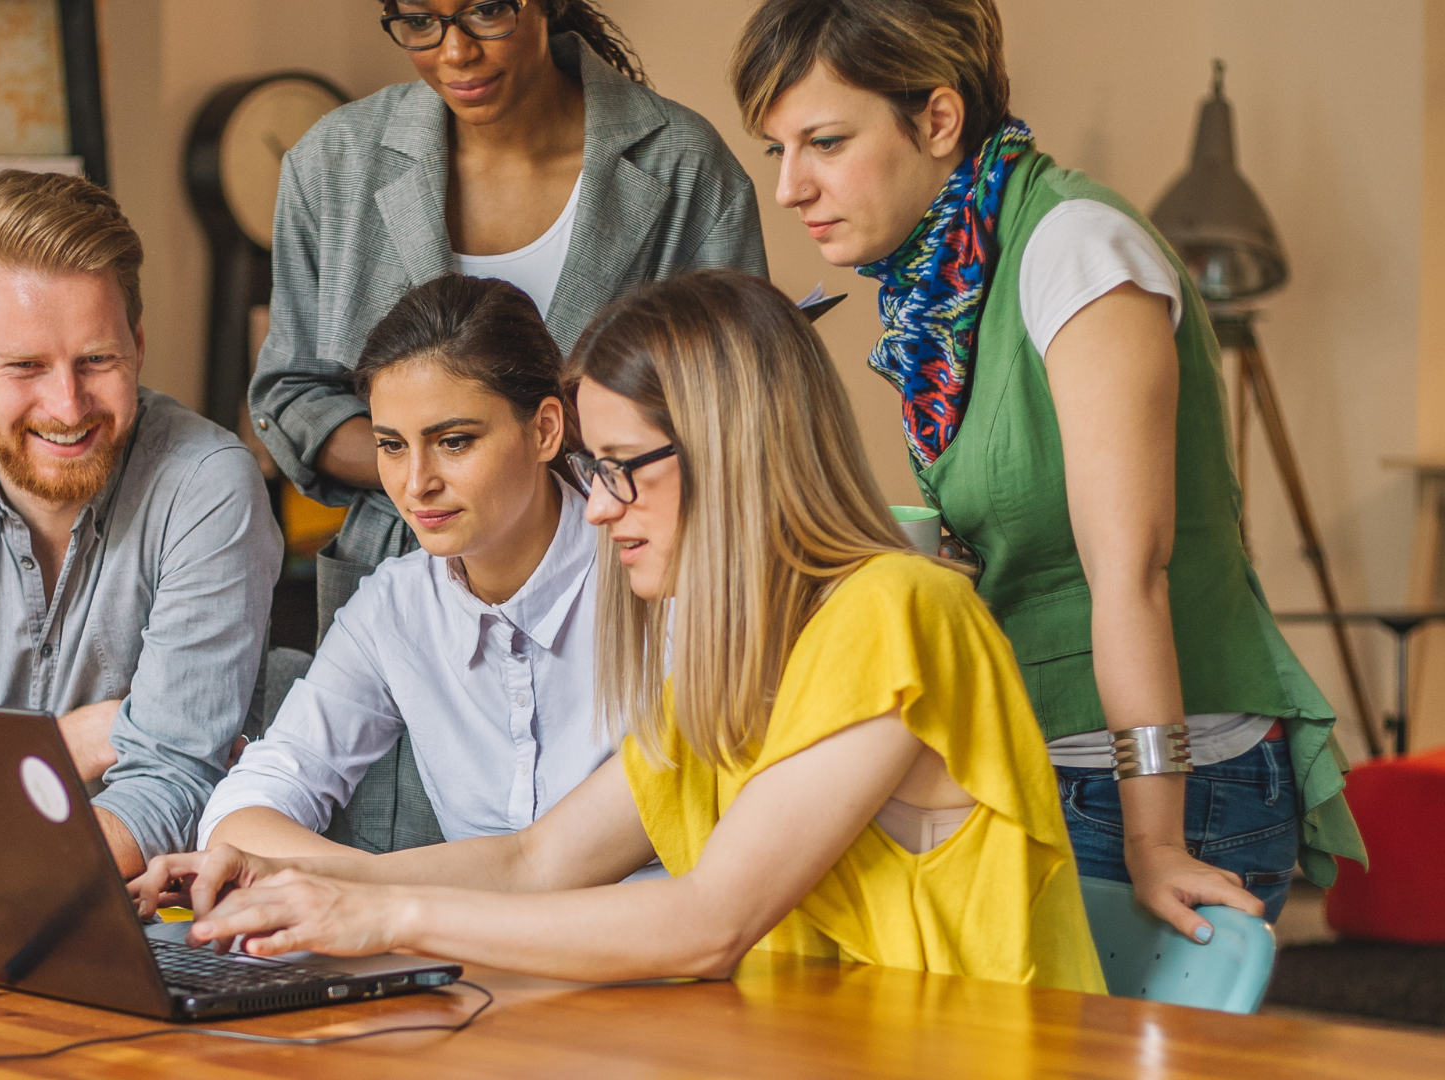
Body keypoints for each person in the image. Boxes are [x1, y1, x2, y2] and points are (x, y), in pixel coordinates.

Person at [130, 272, 1105, 994]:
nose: (597, 507)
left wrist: (381, 911)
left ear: (732, 450)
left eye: (622, 467)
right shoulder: (742, 652)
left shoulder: (897, 610)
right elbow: (538, 861)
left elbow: (708, 922)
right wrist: (289, 876)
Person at [729, 0, 1364, 937]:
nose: (790, 186)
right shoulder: (945, 288)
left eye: (824, 142)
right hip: (1046, 755)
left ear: (938, 120)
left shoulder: (1077, 251)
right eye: (777, 149)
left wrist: (1155, 841)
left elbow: (1130, 574)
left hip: (1156, 788)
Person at [248, 0, 768, 851]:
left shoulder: (682, 168)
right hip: (410, 575)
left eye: (486, 10)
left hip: (616, 574)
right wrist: (439, 463)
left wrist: (539, 473)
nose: (454, 50)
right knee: (399, 851)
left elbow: (738, 403)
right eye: (418, 21)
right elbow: (290, 393)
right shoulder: (333, 163)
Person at [0, 171, 282, 919]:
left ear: (137, 344)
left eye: (97, 360)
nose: (68, 407)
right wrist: (77, 739)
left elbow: (175, 780)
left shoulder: (208, 487)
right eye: (25, 366)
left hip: (156, 924)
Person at [204, 275, 645, 862]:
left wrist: (374, 894)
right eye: (391, 445)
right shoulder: (394, 607)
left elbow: (543, 869)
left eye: (454, 441)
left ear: (545, 430)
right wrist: (370, 892)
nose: (416, 484)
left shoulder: (652, 576)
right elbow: (249, 804)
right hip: (450, 920)